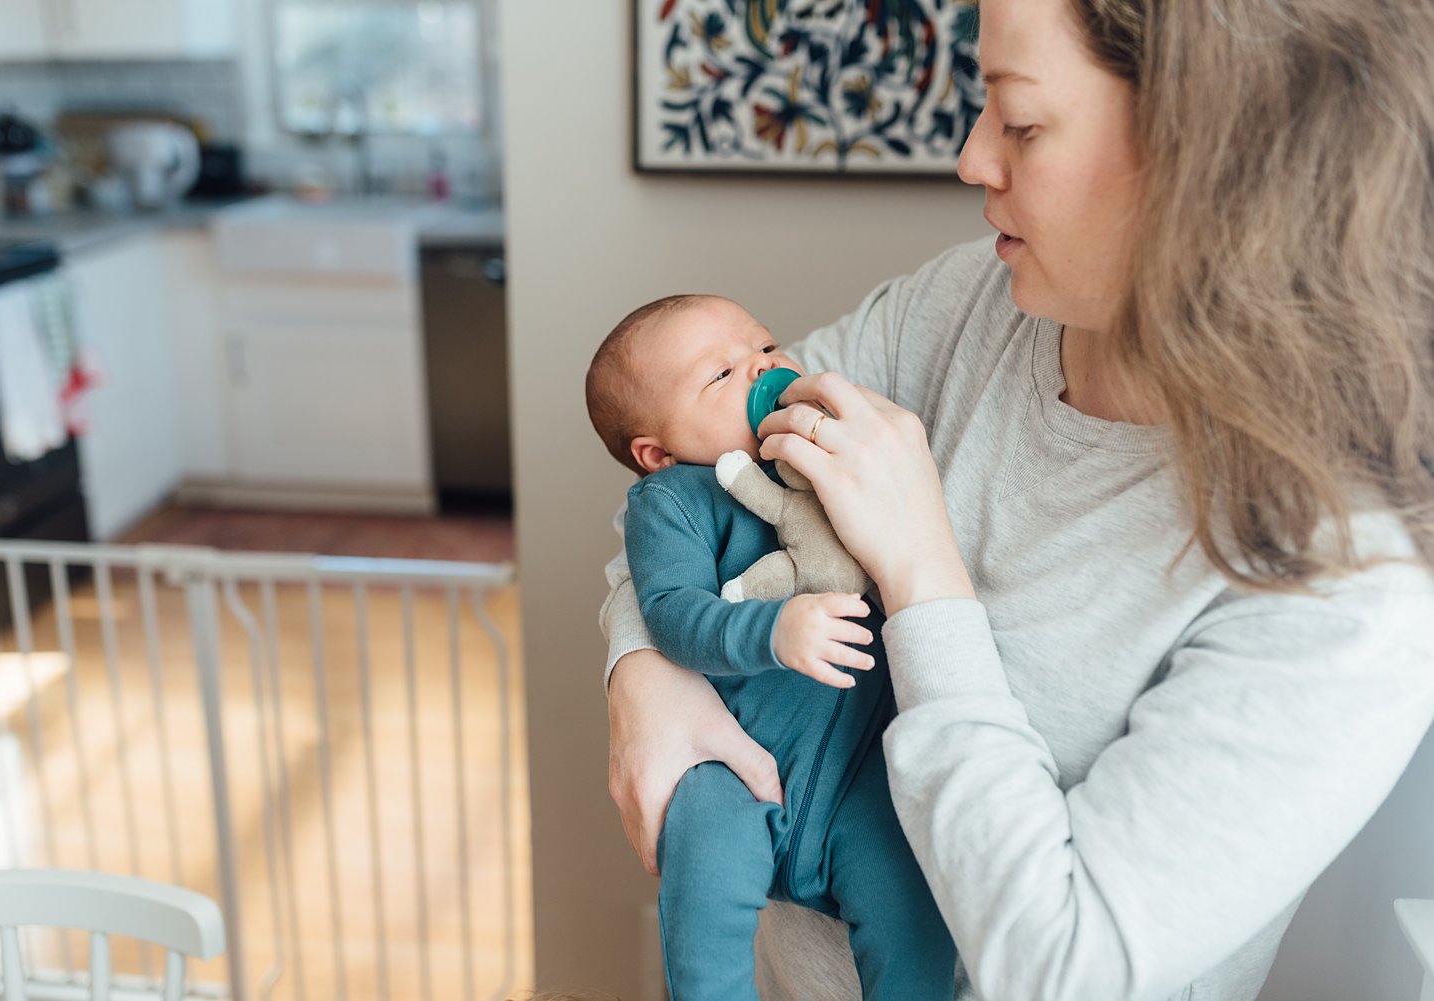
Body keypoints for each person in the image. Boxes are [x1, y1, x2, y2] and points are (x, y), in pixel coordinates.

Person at [600, 0, 1434, 999]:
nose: (971, 158)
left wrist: (922, 578)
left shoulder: (1351, 570)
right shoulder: (965, 307)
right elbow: (685, 476)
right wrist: (646, 672)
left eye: (1021, 121)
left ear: (1217, 154)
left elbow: (1060, 966)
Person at [585, 293, 955, 1000]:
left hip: (855, 772)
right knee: (702, 893)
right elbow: (669, 614)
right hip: (734, 766)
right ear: (655, 453)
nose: (762, 368)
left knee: (912, 903)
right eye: (721, 376)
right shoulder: (671, 502)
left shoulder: (827, 453)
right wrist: (774, 631)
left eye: (765, 345)